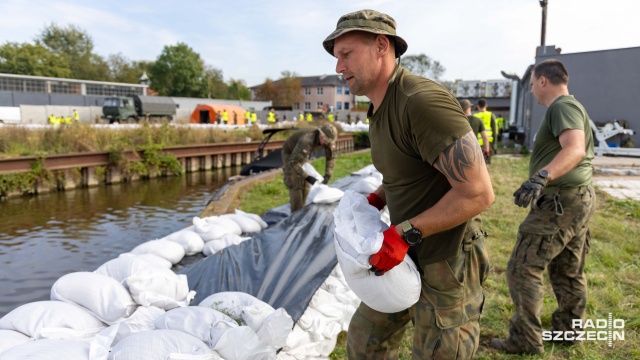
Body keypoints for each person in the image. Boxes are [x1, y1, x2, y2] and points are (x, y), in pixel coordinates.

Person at [323, 9, 494, 359]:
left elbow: (477, 192)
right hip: (402, 256)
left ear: (381, 46)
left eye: (346, 54)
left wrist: (402, 235)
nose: (339, 67)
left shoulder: (420, 101)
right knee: (364, 340)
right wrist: (378, 197)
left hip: (448, 258)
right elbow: (409, 166)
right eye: (336, 57)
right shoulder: (378, 107)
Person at [490, 59, 596, 355]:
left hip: (561, 202)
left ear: (542, 81)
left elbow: (574, 148)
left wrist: (542, 177)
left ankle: (526, 338)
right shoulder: (571, 106)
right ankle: (568, 331)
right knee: (567, 270)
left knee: (522, 268)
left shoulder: (562, 107)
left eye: (533, 83)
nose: (533, 89)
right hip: (577, 198)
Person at [281, 124, 338, 213]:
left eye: (329, 141)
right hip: (290, 154)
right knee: (296, 182)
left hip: (301, 154)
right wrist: (307, 176)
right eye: (325, 140)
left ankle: (303, 209)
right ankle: (296, 215)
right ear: (320, 134)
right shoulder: (307, 141)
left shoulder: (328, 140)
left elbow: (331, 157)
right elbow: (293, 162)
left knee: (306, 185)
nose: (326, 143)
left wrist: (328, 174)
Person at [460, 99, 490, 163]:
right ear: (470, 107)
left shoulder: (457, 121)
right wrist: (486, 153)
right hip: (474, 150)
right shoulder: (478, 120)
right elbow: (485, 138)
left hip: (460, 151)